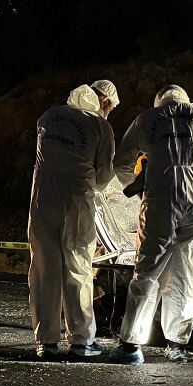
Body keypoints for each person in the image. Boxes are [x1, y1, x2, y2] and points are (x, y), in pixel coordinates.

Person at [109, 84, 193, 364]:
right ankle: (177, 344)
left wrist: (135, 186)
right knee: (186, 271)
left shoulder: (147, 119)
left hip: (161, 198)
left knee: (147, 270)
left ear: (160, 102)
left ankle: (131, 345)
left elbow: (121, 162)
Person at [27, 82, 118, 360]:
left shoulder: (48, 117)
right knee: (77, 268)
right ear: (105, 102)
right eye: (111, 107)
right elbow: (103, 178)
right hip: (76, 203)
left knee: (44, 269)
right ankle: (81, 341)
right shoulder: (100, 126)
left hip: (42, 200)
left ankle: (46, 343)